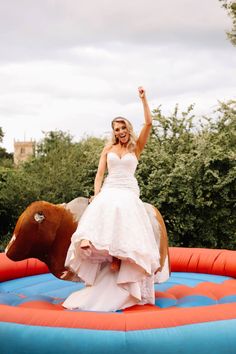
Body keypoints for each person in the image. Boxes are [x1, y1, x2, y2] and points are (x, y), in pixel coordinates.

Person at [62, 87, 162, 312]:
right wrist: (96, 194)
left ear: (128, 128)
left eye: (123, 127)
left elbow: (149, 123)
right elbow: (99, 175)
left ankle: (118, 256)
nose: (120, 132)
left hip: (127, 189)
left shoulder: (136, 148)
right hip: (110, 186)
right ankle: (90, 243)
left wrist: (144, 99)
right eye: (116, 129)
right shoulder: (108, 148)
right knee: (102, 204)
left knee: (122, 207)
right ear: (114, 132)